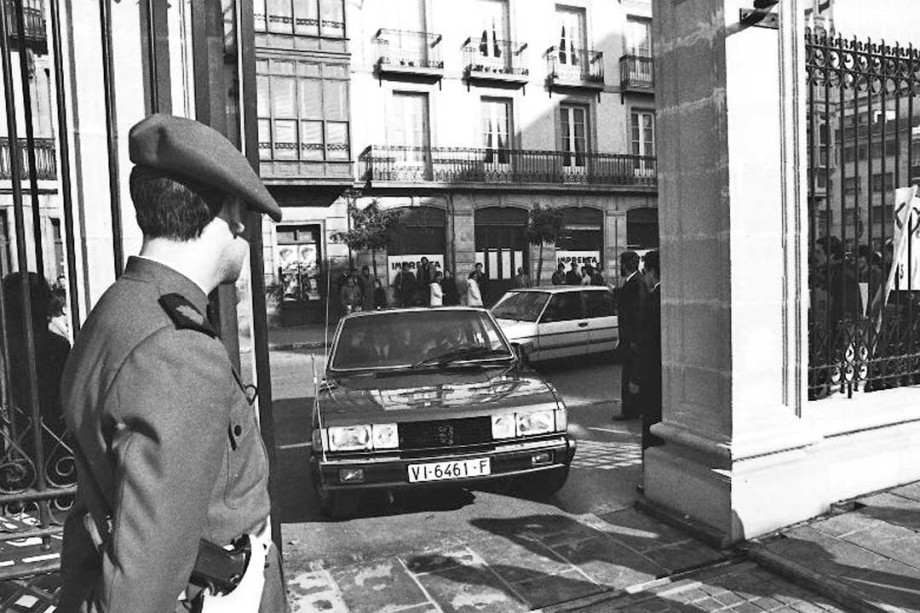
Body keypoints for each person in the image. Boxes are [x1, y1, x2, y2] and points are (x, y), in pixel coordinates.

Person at [57, 114, 287, 613]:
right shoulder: (179, 352)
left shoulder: (118, 308)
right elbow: (141, 589)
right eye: (244, 212)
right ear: (231, 213)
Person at [637, 250, 663, 494]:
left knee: (651, 426)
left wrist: (637, 377)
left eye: (645, 272)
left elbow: (647, 343)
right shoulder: (668, 296)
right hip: (663, 375)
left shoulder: (654, 300)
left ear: (652, 272)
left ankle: (650, 477)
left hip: (652, 375)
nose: (643, 277)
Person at [616, 250, 646, 420]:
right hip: (628, 338)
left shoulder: (636, 282)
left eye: (621, 263)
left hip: (632, 340)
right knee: (629, 374)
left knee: (631, 374)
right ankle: (631, 408)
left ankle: (630, 410)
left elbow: (637, 313)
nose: (620, 266)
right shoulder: (631, 282)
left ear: (627, 265)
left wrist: (635, 339)